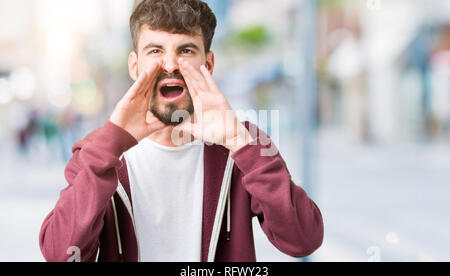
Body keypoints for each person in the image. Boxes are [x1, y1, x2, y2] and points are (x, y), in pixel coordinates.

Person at [39, 0, 324, 262]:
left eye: (186, 50)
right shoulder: (97, 152)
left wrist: (240, 143)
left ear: (208, 64)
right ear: (134, 66)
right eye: (155, 51)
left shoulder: (245, 142)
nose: (172, 64)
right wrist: (109, 146)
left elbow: (303, 239)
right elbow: (60, 254)